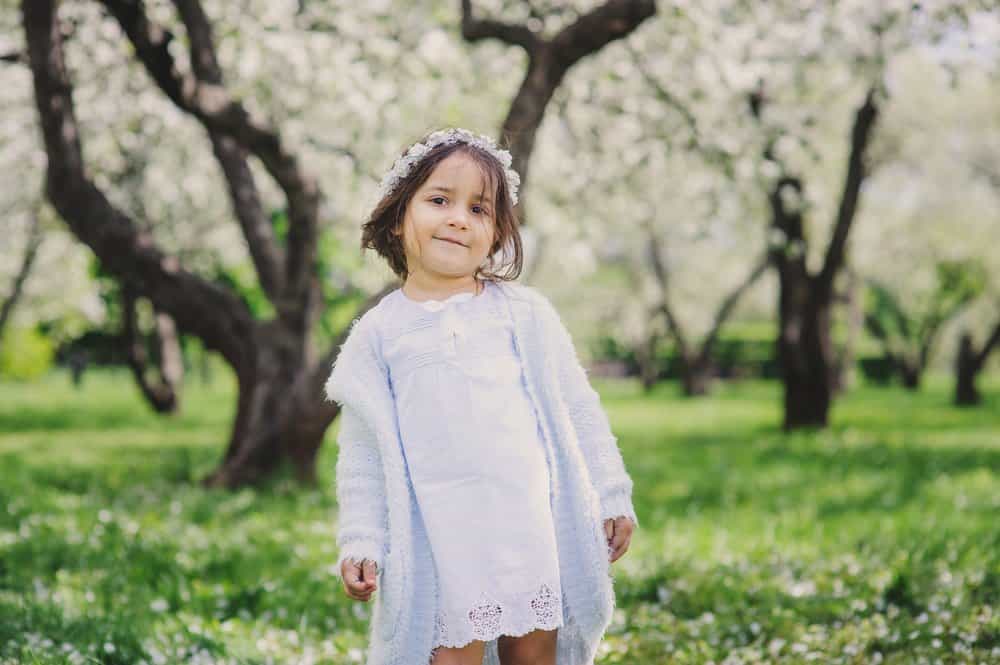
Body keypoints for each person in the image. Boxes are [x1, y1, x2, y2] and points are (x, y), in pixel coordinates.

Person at [325, 128, 638, 665]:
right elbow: (362, 455)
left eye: (478, 209)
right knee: (451, 654)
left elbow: (578, 408)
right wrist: (361, 540)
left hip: (527, 522)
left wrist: (610, 491)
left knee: (534, 651)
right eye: (440, 200)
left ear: (495, 234)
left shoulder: (523, 314)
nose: (458, 218)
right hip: (443, 536)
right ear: (399, 218)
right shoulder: (379, 335)